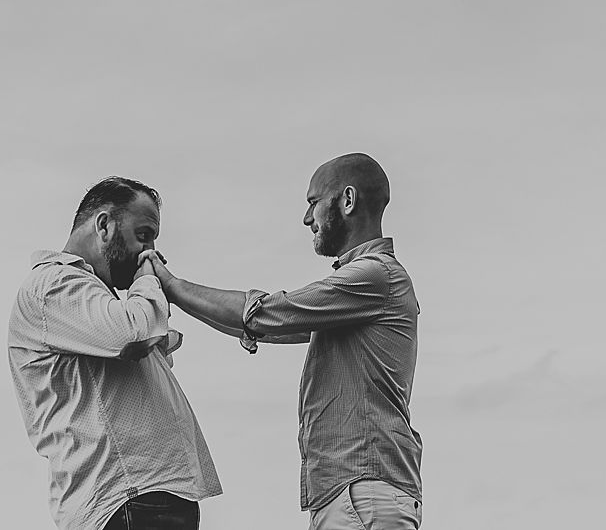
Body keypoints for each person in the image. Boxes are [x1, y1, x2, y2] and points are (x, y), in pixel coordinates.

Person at [141, 153, 423, 530]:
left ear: (347, 201)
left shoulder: (374, 276)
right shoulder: (357, 297)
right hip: (353, 495)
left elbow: (266, 312)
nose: (307, 219)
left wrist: (171, 286)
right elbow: (261, 326)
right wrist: (174, 294)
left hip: (363, 493)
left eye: (313, 203)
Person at [8, 177, 221, 530]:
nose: (149, 252)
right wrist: (148, 282)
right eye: (143, 235)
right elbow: (133, 333)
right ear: (104, 225)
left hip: (142, 498)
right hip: (125, 500)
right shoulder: (55, 284)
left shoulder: (94, 303)